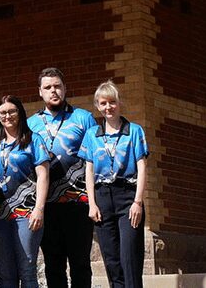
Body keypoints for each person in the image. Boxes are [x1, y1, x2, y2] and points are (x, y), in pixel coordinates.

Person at [27, 67, 97, 288]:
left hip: (78, 203)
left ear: (65, 88)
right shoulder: (31, 124)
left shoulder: (83, 118)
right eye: (48, 87)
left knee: (80, 264)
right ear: (40, 92)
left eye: (57, 86)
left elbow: (96, 158)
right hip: (46, 206)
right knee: (53, 265)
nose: (53, 91)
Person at [82, 81, 149, 288]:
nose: (108, 107)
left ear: (119, 103)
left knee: (130, 258)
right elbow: (89, 171)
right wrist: (92, 204)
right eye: (103, 103)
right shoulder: (92, 134)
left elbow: (142, 168)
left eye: (112, 102)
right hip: (102, 198)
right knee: (111, 261)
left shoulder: (134, 131)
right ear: (97, 106)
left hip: (128, 196)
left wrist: (138, 202)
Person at [0, 96, 49, 288]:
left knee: (27, 270)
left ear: (20, 113)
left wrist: (39, 209)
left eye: (12, 111)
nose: (7, 116)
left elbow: (43, 175)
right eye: (3, 113)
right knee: (5, 273)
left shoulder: (33, 139)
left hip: (27, 214)